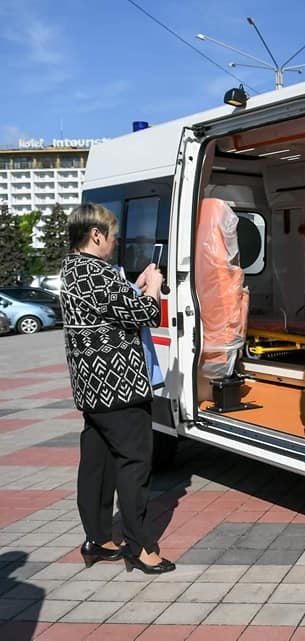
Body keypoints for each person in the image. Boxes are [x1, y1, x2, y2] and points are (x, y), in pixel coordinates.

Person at [60, 203, 175, 574]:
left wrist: (135, 288)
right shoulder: (97, 272)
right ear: (96, 235)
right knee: (134, 463)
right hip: (119, 387)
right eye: (113, 236)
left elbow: (110, 309)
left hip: (92, 388)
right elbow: (147, 314)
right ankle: (140, 547)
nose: (115, 243)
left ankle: (97, 538)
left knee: (98, 464)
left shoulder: (72, 269)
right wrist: (153, 289)